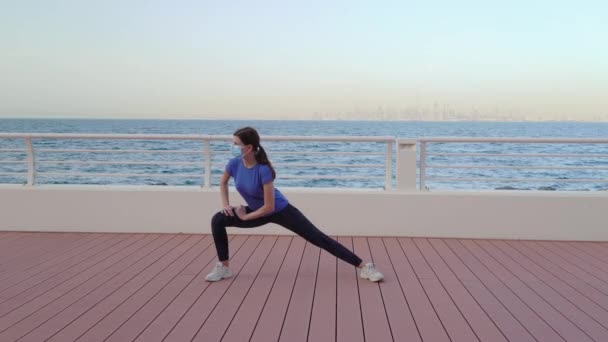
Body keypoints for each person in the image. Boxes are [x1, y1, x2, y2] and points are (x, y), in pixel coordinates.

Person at [206, 126, 384, 282]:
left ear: (249, 147)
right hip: (255, 210)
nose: (233, 147)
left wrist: (246, 216)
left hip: (280, 210)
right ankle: (224, 267)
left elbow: (269, 207)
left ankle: (365, 267)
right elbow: (223, 183)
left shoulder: (263, 170)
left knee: (318, 238)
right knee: (218, 220)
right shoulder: (234, 163)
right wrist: (226, 205)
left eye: (236, 144)